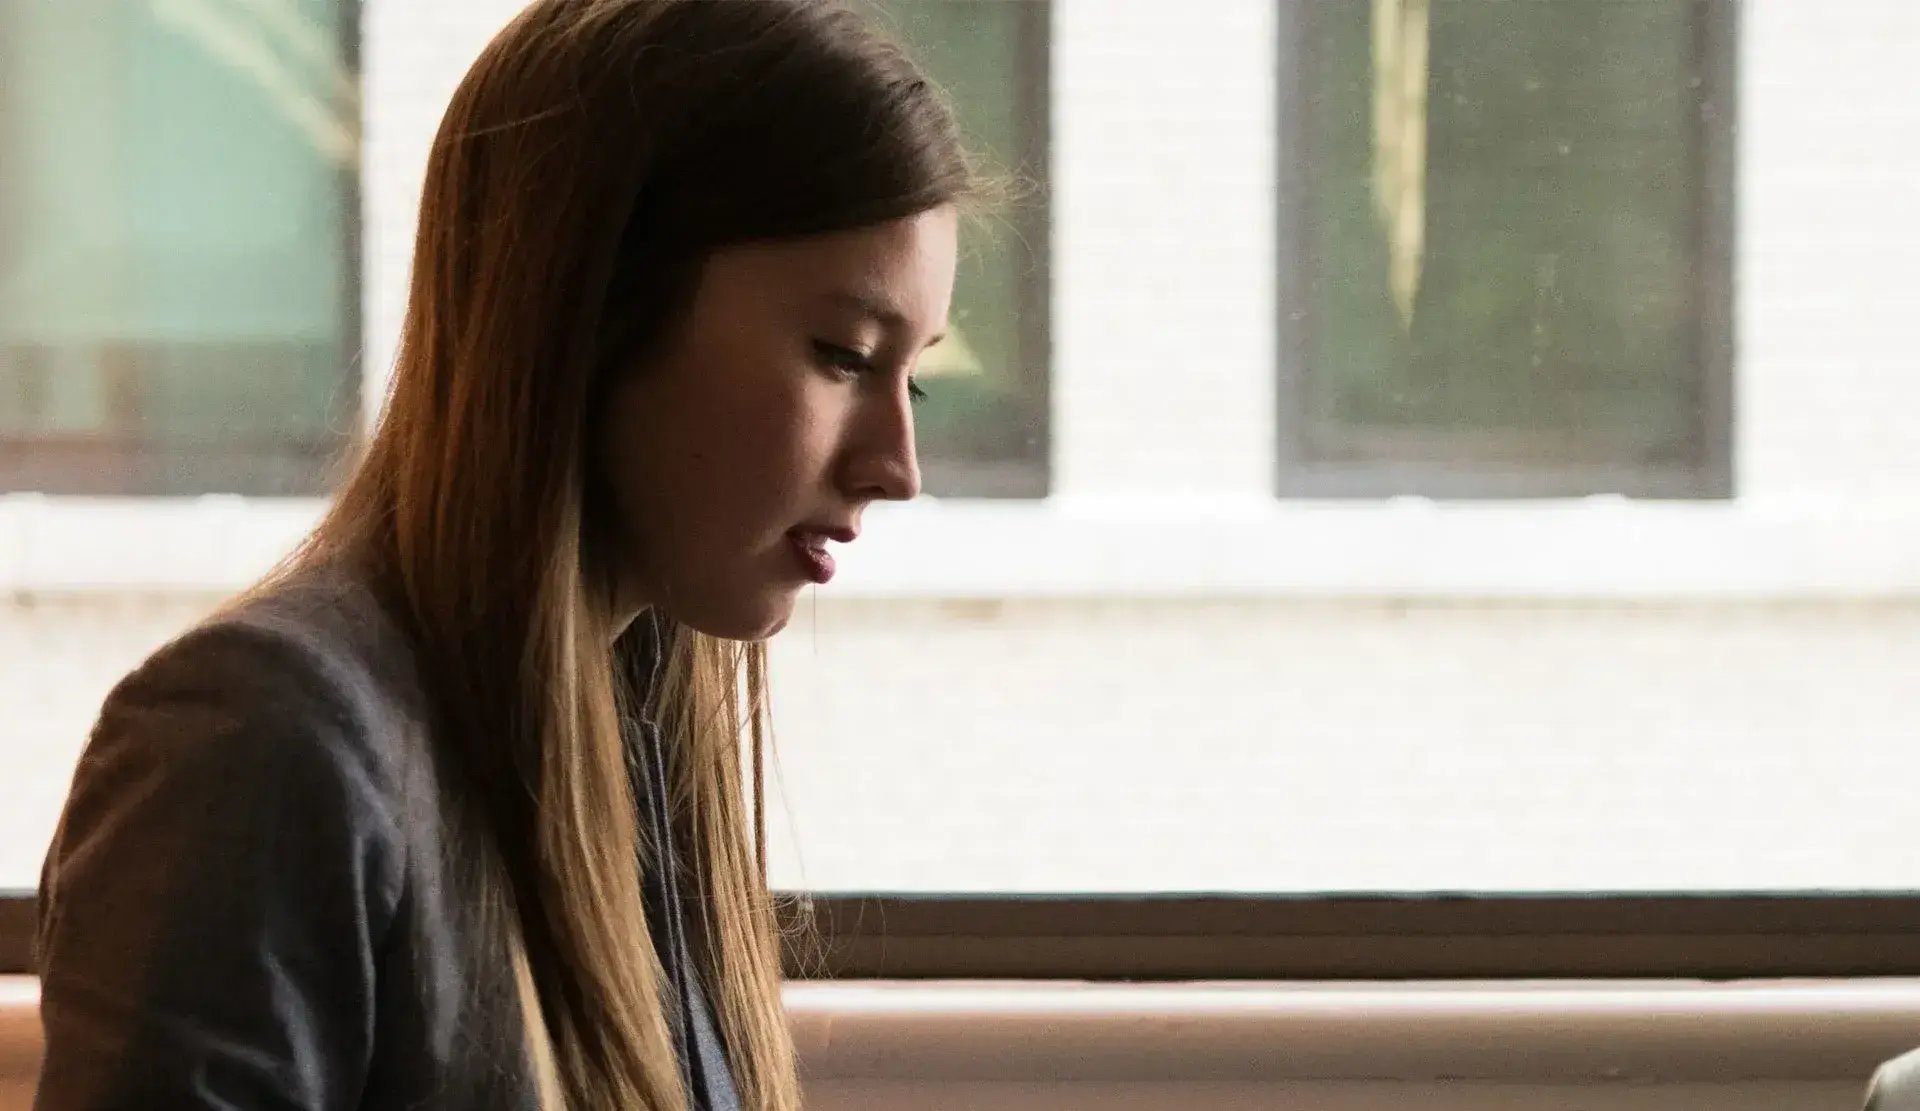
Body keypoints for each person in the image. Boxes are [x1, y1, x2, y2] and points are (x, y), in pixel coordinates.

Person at [32, 1, 978, 1107]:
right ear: (595, 306)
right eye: (843, 354)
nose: (896, 465)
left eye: (911, 376)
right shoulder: (261, 744)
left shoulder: (639, 761)